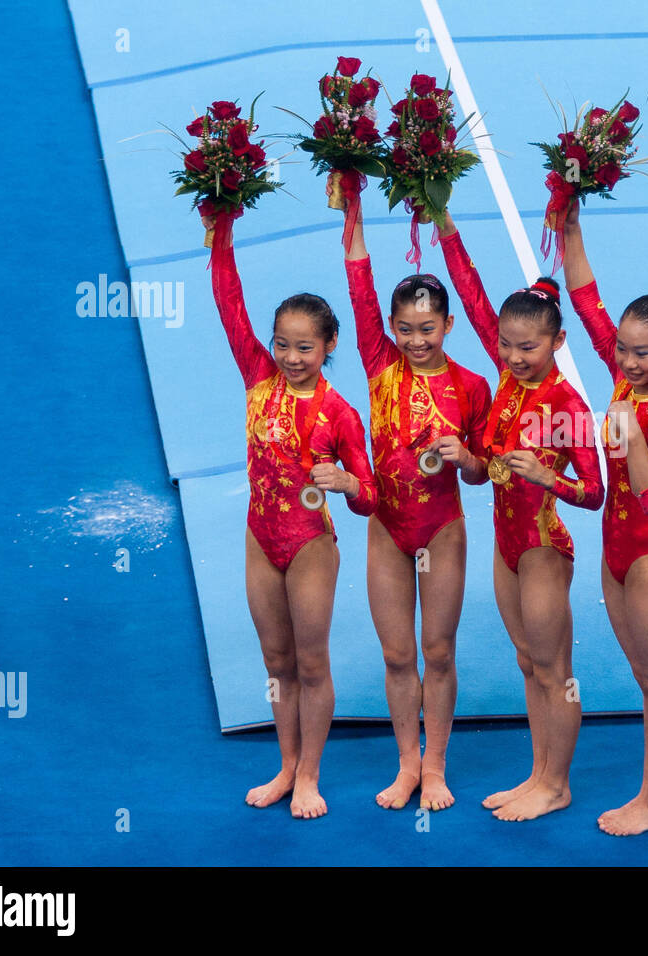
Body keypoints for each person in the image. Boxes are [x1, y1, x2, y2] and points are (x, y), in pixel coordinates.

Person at [205, 209, 378, 819]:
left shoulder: (342, 413)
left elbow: (370, 499)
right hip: (260, 537)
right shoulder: (257, 377)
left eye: (305, 347)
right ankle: (284, 764)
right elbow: (229, 300)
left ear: (330, 346)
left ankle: (310, 774)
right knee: (275, 660)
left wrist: (348, 479)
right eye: (282, 344)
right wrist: (220, 224)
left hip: (309, 544)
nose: (290, 356)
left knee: (310, 659)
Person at [436, 208, 605, 821]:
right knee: (529, 662)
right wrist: (440, 216)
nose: (511, 356)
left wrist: (546, 476)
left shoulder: (566, 403)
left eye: (527, 347)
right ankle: (538, 774)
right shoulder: (509, 383)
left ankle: (556, 786)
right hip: (504, 547)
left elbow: (596, 493)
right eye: (505, 345)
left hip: (541, 548)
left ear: (558, 341)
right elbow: (474, 296)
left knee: (555, 667)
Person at [337, 176, 492, 812]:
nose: (416, 339)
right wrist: (350, 195)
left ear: (448, 324)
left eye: (427, 328)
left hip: (443, 527)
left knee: (438, 650)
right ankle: (406, 763)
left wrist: (469, 458)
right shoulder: (378, 364)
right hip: (387, 529)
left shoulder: (473, 385)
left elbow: (485, 473)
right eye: (406, 328)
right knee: (398, 654)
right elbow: (357, 282)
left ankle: (436, 766)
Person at [561, 199, 648, 835]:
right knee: (646, 681)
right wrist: (568, 220)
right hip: (613, 550)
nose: (628, 363)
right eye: (621, 350)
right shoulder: (625, 383)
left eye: (644, 353)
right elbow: (585, 297)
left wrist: (634, 440)